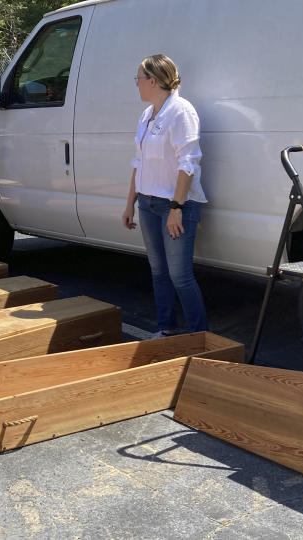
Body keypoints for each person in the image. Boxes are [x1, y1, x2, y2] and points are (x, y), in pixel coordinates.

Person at [121, 54, 208, 337]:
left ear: (153, 81)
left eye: (138, 78)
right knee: (158, 272)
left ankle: (199, 336)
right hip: (147, 203)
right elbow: (139, 162)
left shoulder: (181, 111)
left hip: (174, 205)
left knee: (180, 275)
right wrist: (130, 202)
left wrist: (176, 207)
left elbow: (189, 163)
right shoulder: (147, 115)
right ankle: (167, 330)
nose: (136, 84)